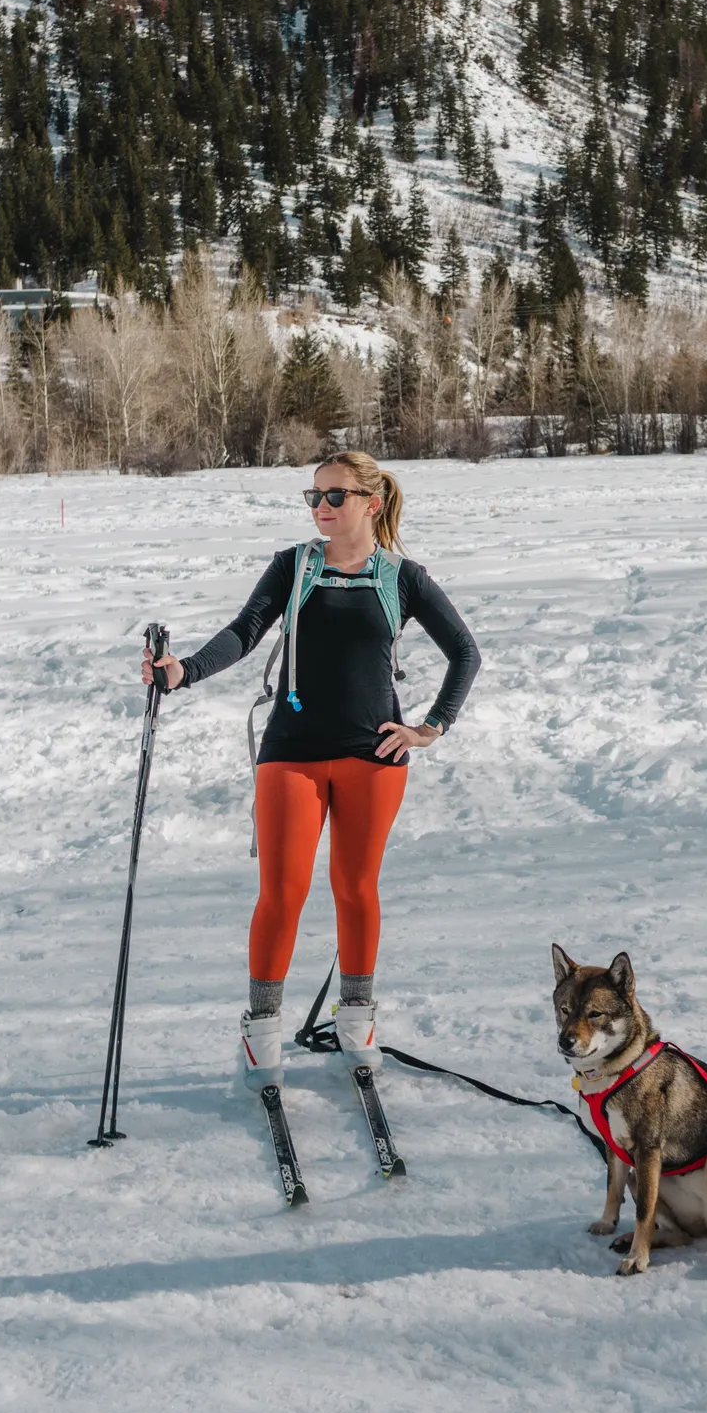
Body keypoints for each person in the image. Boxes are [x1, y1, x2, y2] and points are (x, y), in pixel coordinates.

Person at [141, 450, 481, 1092]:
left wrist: (429, 727)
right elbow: (243, 632)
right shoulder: (292, 566)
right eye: (313, 497)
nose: (321, 508)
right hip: (290, 752)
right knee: (283, 893)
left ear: (371, 504)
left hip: (372, 756)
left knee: (356, 890)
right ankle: (261, 1029)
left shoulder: (402, 577)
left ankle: (358, 1023)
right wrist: (183, 670)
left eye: (335, 497)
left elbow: (465, 653)